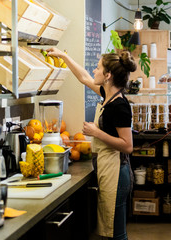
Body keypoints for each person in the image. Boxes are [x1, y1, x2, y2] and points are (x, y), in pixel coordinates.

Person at [47, 47, 137, 240]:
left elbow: (127, 145)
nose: (94, 71)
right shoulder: (108, 95)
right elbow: (84, 77)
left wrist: (96, 133)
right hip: (107, 169)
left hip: (117, 173)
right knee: (110, 231)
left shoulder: (119, 105)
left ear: (108, 75)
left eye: (98, 68)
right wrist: (64, 55)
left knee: (116, 233)